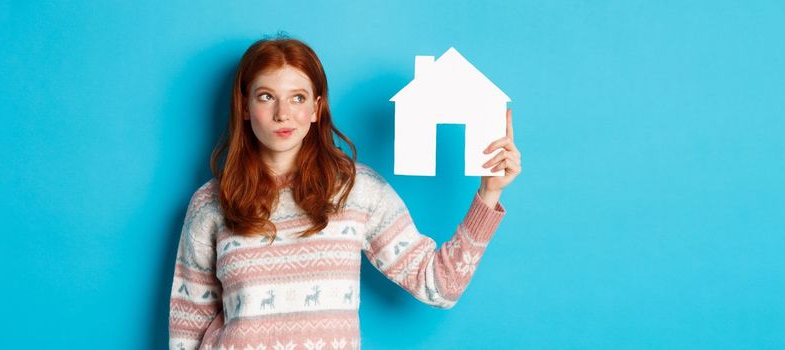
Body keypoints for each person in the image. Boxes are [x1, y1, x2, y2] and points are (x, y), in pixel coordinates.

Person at [168, 36, 522, 350]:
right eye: (266, 97)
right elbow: (188, 327)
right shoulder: (213, 203)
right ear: (245, 107)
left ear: (316, 108)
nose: (282, 113)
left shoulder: (357, 190)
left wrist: (488, 194)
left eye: (297, 97)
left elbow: (439, 286)